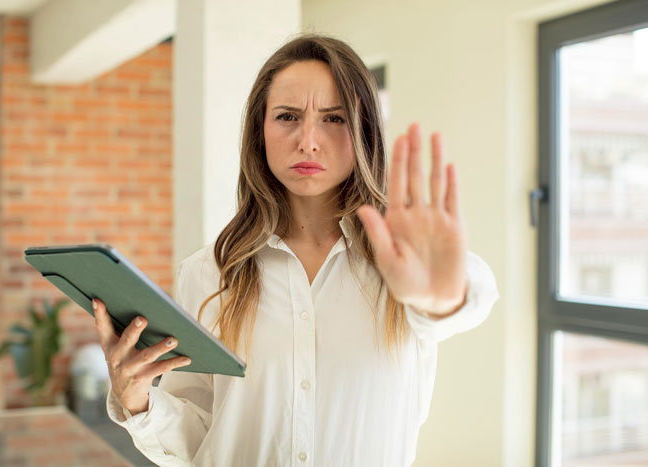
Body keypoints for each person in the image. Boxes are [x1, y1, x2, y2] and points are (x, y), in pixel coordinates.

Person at [94, 33, 499, 466]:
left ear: (363, 129)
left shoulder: (403, 266)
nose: (308, 140)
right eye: (287, 116)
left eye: (334, 118)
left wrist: (440, 299)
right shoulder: (208, 273)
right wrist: (138, 401)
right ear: (260, 132)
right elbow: (201, 434)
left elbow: (467, 294)